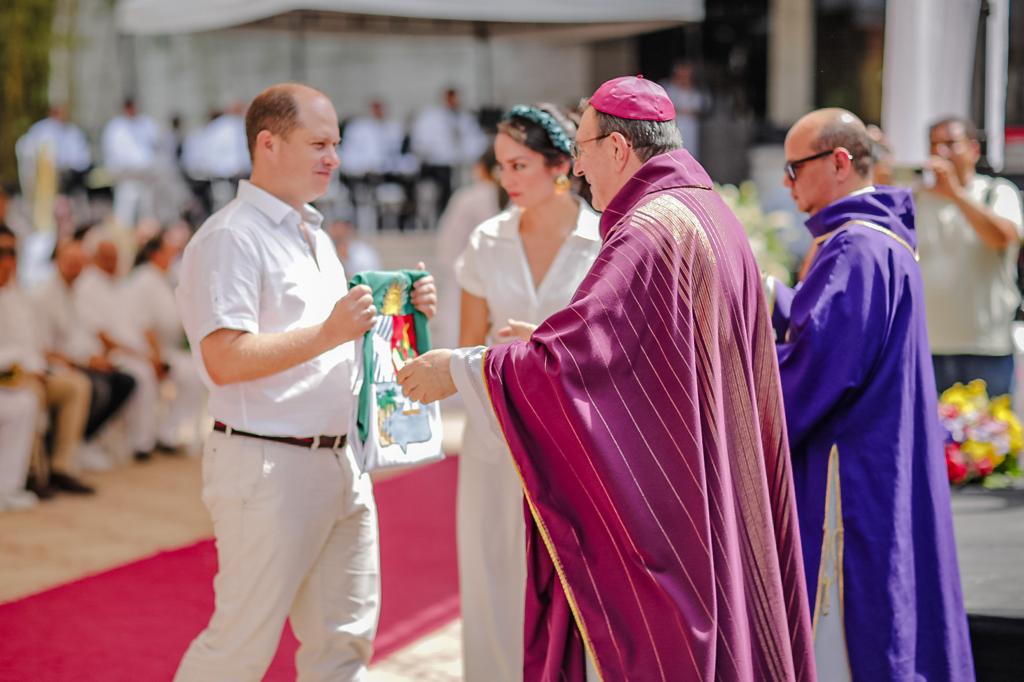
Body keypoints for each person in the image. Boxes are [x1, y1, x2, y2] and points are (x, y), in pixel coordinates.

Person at [398, 76, 814, 681]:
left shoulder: (647, 229)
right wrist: (542, 346)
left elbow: (580, 357)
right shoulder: (703, 208)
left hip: (672, 487)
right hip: (705, 456)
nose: (579, 167)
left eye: (584, 148)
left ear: (618, 148)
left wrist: (460, 368)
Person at [173, 82, 436, 681]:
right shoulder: (230, 236)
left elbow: (339, 344)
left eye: (335, 144)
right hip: (269, 466)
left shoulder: (313, 232)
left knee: (344, 647)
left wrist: (404, 313)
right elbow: (224, 358)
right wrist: (329, 331)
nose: (334, 158)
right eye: (319, 144)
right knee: (239, 649)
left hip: (344, 461)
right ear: (268, 144)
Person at [770, 108, 973, 681]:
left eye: (794, 167)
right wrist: (773, 300)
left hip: (852, 468)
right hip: (881, 453)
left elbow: (822, 367)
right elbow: (834, 332)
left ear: (839, 162)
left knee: (849, 629)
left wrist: (739, 369)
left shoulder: (855, 246)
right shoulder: (873, 240)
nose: (786, 182)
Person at [453, 103, 600, 682]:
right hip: (495, 439)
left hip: (576, 444)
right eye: (501, 166)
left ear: (560, 166)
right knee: (492, 579)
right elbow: (468, 346)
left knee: (576, 585)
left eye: (519, 165)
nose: (506, 179)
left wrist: (543, 347)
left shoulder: (603, 240)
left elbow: (612, 350)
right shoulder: (486, 240)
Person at [915, 116, 1024, 397]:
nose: (941, 152)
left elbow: (1003, 238)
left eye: (951, 143)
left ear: (974, 149)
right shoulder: (916, 199)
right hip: (928, 348)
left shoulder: (997, 192)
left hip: (987, 349)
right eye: (934, 145)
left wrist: (955, 194)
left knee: (990, 426)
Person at [0, 225, 93, 498]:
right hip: (11, 377)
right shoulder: (41, 293)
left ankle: (61, 466)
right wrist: (27, 369)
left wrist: (42, 367)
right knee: (31, 395)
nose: (8, 261)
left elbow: (35, 343)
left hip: (37, 370)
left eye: (12, 253)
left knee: (76, 385)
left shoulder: (18, 295)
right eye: (3, 253)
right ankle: (31, 473)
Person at [130, 231, 206, 451]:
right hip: (147, 349)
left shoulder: (166, 278)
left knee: (196, 372)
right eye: (168, 251)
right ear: (155, 254)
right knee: (189, 374)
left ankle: (169, 431)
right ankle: (157, 435)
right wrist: (155, 356)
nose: (172, 255)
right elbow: (143, 323)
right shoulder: (143, 279)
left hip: (169, 347)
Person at [433, 148, 503, 349]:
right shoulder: (516, 196)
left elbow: (449, 243)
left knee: (461, 341)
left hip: (466, 277)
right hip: (497, 278)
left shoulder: (469, 197)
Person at [411, 87, 488, 221]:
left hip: (462, 165)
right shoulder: (430, 118)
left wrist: (468, 156)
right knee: (443, 190)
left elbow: (477, 141)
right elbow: (420, 143)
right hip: (437, 165)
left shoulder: (465, 118)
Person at [102, 98, 161, 229]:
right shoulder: (115, 128)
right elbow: (112, 155)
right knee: (125, 215)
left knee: (147, 214)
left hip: (146, 178)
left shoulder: (147, 124)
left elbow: (156, 148)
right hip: (126, 178)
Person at [661, 61, 708, 161]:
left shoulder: (695, 91)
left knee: (690, 157)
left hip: (690, 131)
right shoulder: (668, 87)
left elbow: (701, 108)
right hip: (671, 131)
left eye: (687, 74)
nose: (684, 77)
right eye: (681, 74)